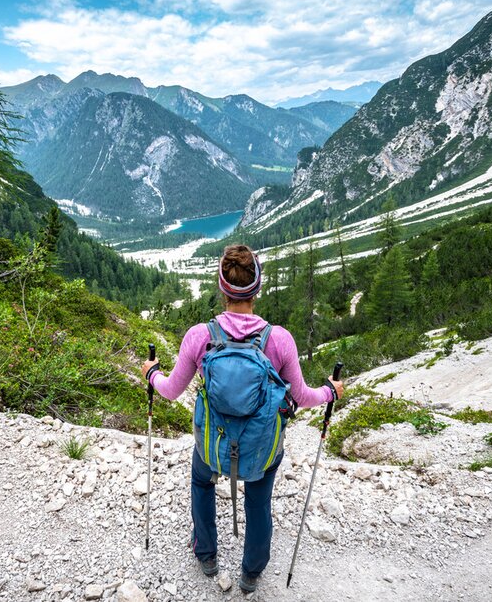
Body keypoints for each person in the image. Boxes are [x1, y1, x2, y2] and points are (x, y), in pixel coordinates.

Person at [141, 244, 345, 593]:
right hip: (260, 448)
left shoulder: (200, 336)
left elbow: (171, 390)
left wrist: (150, 375)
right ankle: (251, 573)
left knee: (202, 480)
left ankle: (206, 554)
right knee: (259, 499)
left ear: (222, 287)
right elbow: (302, 397)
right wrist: (332, 392)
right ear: (257, 288)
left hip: (213, 445)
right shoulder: (279, 340)